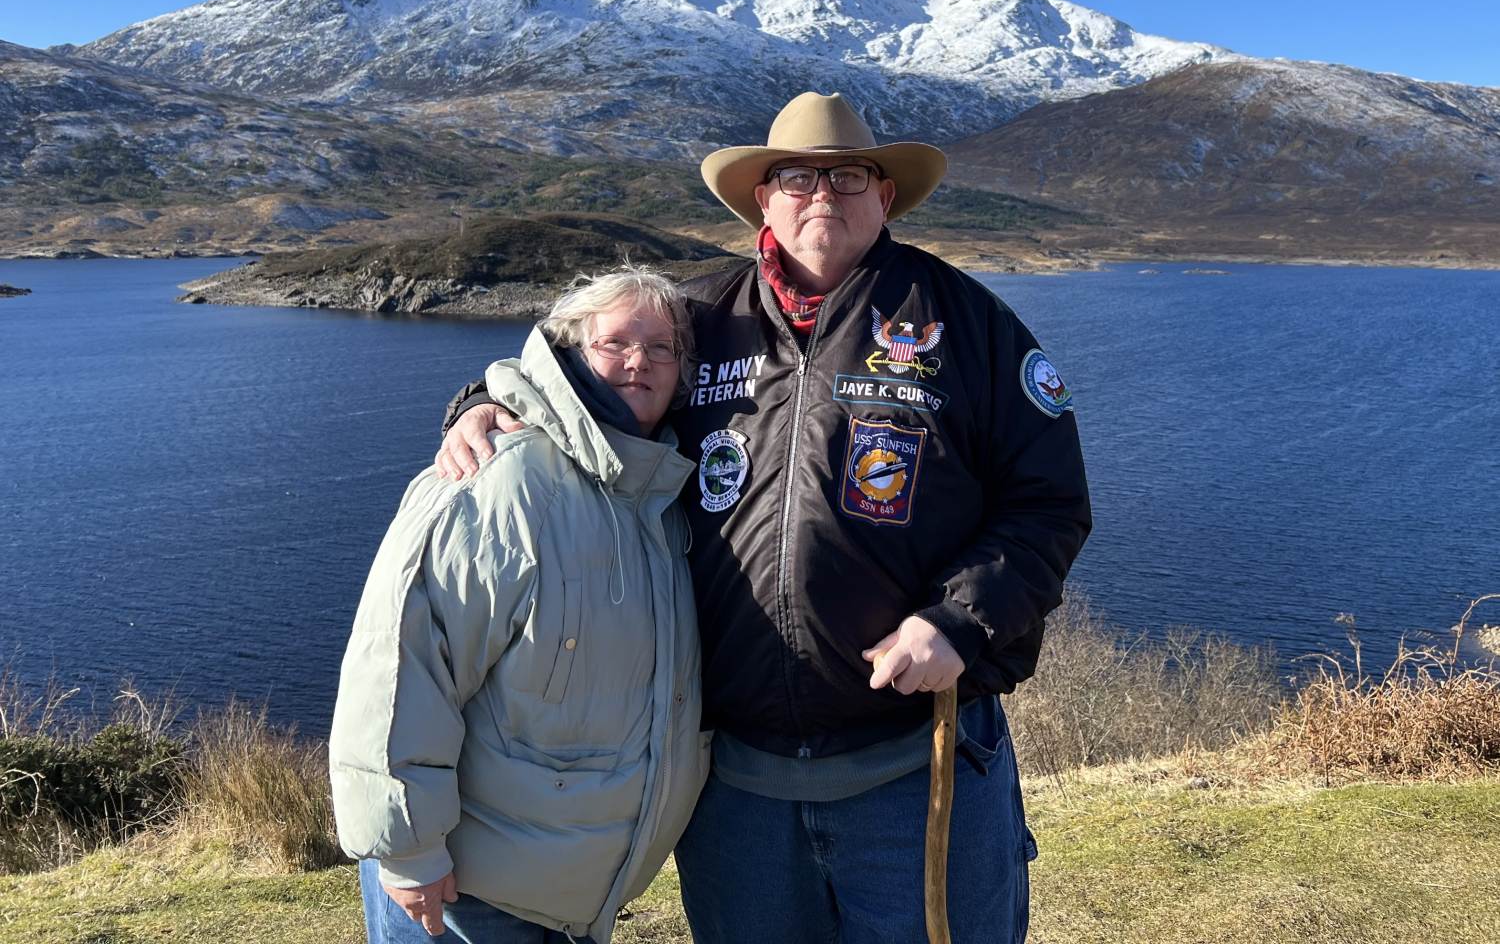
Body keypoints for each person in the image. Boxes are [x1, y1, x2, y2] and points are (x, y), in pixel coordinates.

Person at [436, 92, 1092, 943]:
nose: (823, 195)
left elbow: (1048, 503)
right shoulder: (698, 319)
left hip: (915, 762)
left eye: (848, 176)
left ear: (885, 195)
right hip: (735, 785)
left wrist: (959, 621)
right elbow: (576, 381)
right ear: (763, 200)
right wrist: (483, 403)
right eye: (797, 178)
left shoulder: (967, 324)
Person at [329, 267, 709, 944]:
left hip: (569, 900)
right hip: (465, 897)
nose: (638, 362)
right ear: (570, 352)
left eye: (662, 348)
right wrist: (408, 850)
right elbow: (401, 664)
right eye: (615, 343)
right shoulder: (503, 480)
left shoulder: (658, 497)